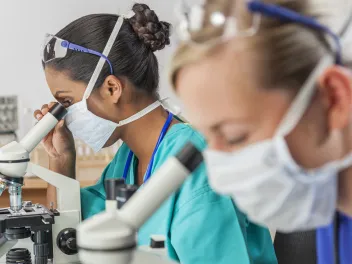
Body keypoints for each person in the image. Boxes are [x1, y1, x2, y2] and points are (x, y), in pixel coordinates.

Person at [34, 3, 277, 264]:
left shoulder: (196, 167)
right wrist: (61, 160)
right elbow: (72, 233)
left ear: (112, 88)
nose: (64, 117)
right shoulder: (128, 158)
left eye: (67, 103)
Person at [171, 0, 352, 231]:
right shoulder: (331, 213)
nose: (219, 180)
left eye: (234, 136)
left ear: (334, 98)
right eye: (206, 138)